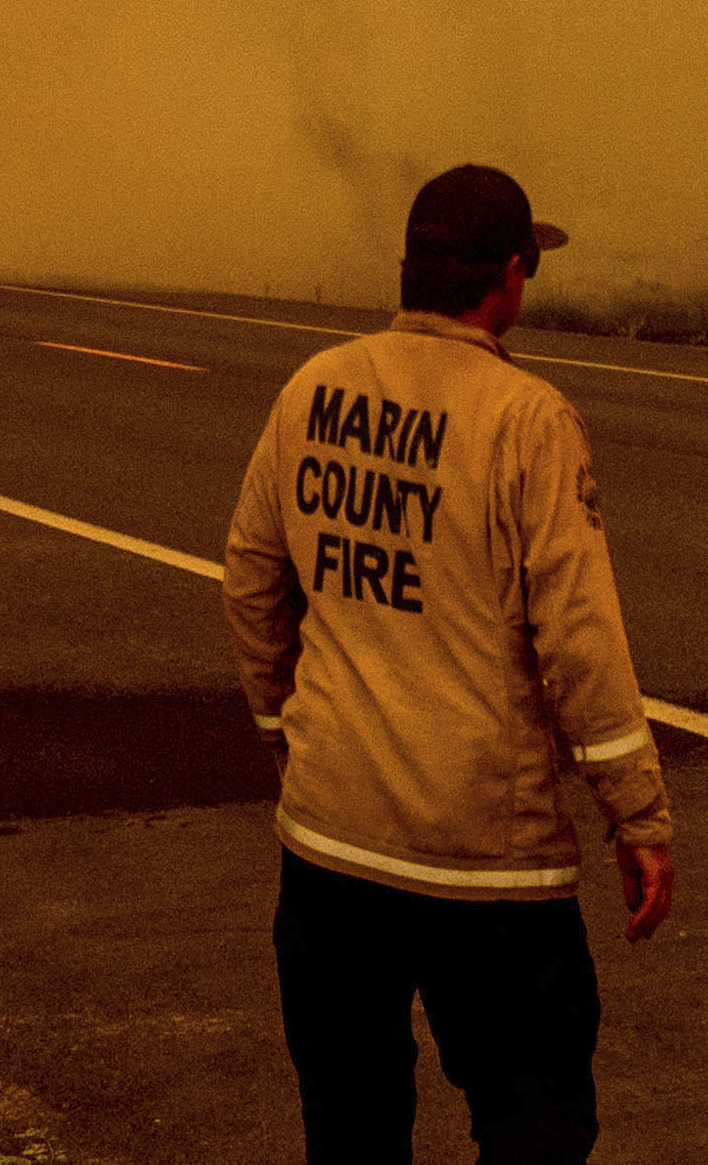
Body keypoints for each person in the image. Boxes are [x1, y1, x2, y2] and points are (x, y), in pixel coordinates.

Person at [222, 162, 676, 1165]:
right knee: (535, 1124)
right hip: (488, 873)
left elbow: (252, 578)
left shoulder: (314, 389)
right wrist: (636, 814)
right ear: (509, 275)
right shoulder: (528, 420)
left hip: (330, 848)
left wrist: (282, 728)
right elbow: (581, 646)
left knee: (350, 1126)